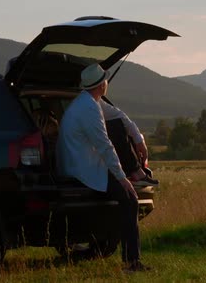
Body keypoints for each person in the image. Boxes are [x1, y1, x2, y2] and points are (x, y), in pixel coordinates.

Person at [56, 63, 152, 272]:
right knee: (130, 200)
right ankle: (131, 262)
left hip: (83, 165)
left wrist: (137, 138)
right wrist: (121, 178)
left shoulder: (89, 102)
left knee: (117, 125)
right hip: (83, 170)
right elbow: (104, 145)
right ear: (102, 85)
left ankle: (135, 172)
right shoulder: (89, 108)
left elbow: (118, 115)